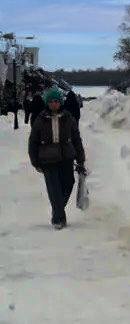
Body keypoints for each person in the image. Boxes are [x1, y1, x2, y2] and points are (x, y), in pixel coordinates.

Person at [28, 87, 86, 229]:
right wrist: (35, 161)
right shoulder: (40, 120)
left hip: (66, 158)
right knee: (54, 189)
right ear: (47, 103)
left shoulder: (68, 118)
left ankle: (57, 210)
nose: (54, 104)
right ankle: (59, 219)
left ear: (60, 102)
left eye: (56, 101)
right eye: (51, 102)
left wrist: (80, 159)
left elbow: (76, 139)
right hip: (47, 159)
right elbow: (33, 141)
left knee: (68, 184)